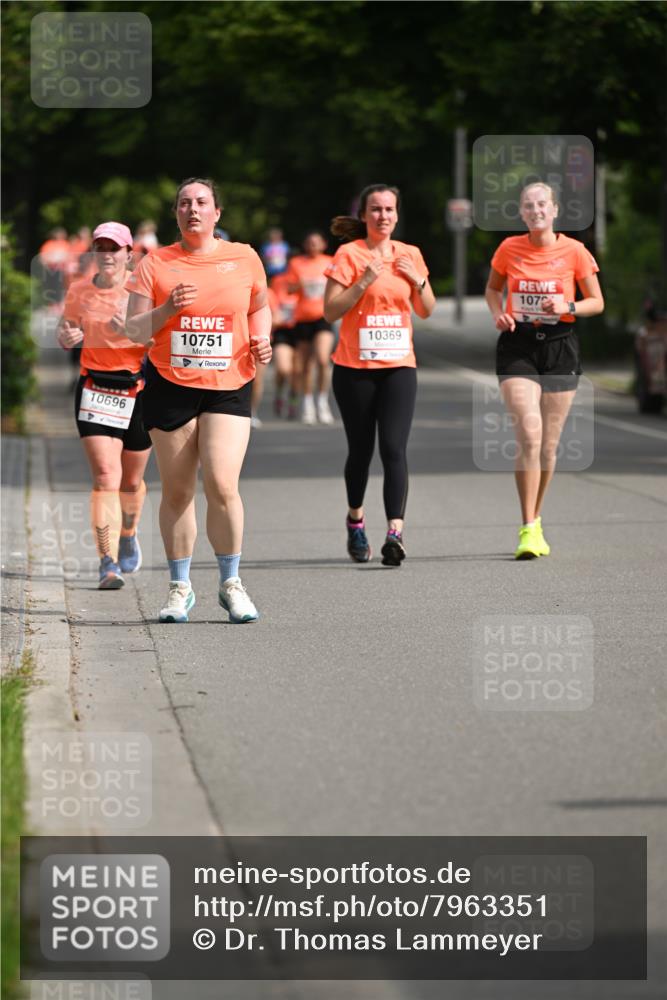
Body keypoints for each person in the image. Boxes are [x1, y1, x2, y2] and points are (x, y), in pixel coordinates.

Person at [125, 177, 272, 623]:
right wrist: (167, 309)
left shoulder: (243, 257)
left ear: (216, 213)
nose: (193, 210)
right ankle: (179, 587)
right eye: (184, 203)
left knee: (223, 484)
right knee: (178, 491)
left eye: (201, 202)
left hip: (229, 383)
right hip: (171, 385)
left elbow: (259, 306)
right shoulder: (155, 263)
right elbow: (132, 329)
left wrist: (262, 337)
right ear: (176, 214)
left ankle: (231, 583)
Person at [485, 181, 604, 559]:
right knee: (530, 435)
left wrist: (567, 306)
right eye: (528, 206)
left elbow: (596, 302)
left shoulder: (575, 251)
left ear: (554, 210)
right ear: (521, 213)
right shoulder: (508, 248)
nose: (535, 211)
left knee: (549, 446)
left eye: (542, 205)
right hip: (518, 346)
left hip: (560, 346)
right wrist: (498, 313)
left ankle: (536, 521)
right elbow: (492, 290)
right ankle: (527, 527)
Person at [323, 184, 435, 566]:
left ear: (397, 215)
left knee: (393, 449)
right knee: (361, 451)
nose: (383, 216)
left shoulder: (411, 254)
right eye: (375, 209)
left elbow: (426, 310)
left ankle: (395, 534)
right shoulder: (348, 255)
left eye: (389, 209)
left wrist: (417, 280)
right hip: (354, 368)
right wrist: (363, 281)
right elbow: (330, 311)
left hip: (399, 367)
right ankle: (356, 520)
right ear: (364, 215)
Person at [57, 222, 151, 589]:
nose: (108, 254)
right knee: (105, 477)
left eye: (115, 248)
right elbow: (66, 331)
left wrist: (134, 330)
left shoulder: (141, 292)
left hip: (137, 388)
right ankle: (107, 562)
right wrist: (66, 336)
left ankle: (128, 532)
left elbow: (159, 339)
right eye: (101, 247)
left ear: (129, 254)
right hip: (95, 386)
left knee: (131, 481)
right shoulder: (79, 290)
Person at [287, 231, 335, 424]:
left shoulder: (330, 261)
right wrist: (299, 285)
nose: (313, 245)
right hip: (303, 317)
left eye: (317, 242)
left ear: (323, 244)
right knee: (306, 365)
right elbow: (288, 289)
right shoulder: (296, 263)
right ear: (305, 245)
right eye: (309, 242)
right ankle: (308, 404)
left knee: (323, 359)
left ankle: (322, 401)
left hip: (323, 316)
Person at [269, 269, 299, 418]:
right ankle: (279, 394)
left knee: (297, 371)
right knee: (284, 368)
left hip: (301, 330)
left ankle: (293, 401)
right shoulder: (277, 282)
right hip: (283, 332)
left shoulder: (305, 287)